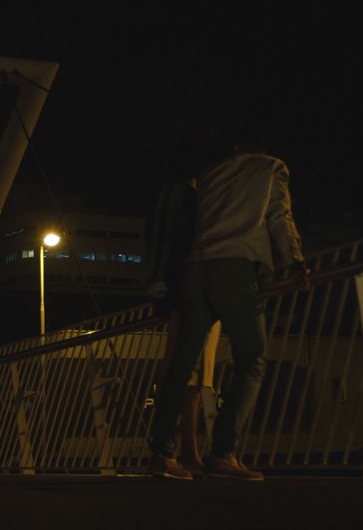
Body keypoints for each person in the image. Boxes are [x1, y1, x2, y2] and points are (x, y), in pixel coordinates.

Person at [148, 123, 312, 481]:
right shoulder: (271, 168)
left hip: (197, 268)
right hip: (237, 268)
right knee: (251, 359)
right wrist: (295, 262)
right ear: (262, 148)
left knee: (181, 362)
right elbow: (279, 217)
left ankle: (163, 454)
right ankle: (223, 453)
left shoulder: (210, 173)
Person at [145, 118, 222, 477]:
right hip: (186, 288)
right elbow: (165, 240)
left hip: (191, 288)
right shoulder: (182, 192)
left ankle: (187, 452)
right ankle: (168, 453)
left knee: (193, 376)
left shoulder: (187, 191)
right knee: (183, 370)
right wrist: (159, 283)